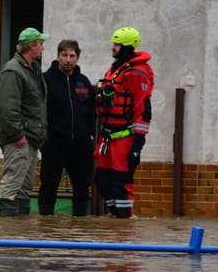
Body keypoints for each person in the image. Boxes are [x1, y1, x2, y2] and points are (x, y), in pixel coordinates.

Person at [94, 26, 154, 218]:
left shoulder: (138, 72)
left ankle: (124, 225)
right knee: (101, 180)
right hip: (108, 135)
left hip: (125, 137)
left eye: (116, 45)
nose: (113, 47)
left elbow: (142, 110)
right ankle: (117, 216)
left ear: (126, 47)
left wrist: (138, 144)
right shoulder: (115, 69)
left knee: (121, 183)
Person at [38, 39, 97, 216]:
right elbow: (39, 110)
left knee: (81, 189)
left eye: (72, 56)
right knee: (49, 187)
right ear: (58, 56)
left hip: (81, 147)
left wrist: (90, 137)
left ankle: (79, 229)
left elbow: (91, 112)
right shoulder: (46, 80)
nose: (68, 59)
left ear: (77, 58)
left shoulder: (83, 82)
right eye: (64, 55)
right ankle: (45, 228)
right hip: (53, 145)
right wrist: (45, 139)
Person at [0, 27, 49, 217]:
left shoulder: (32, 69)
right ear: (31, 46)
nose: (43, 48)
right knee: (11, 185)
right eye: (40, 44)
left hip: (31, 138)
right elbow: (6, 108)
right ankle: (7, 234)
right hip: (19, 139)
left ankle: (20, 234)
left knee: (23, 188)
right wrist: (18, 136)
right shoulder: (13, 70)